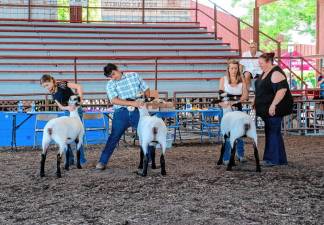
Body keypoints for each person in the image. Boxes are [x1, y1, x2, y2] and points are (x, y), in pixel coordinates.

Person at [96, 63, 154, 170]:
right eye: (111, 76)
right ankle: (102, 161)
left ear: (117, 69)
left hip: (138, 111)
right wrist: (133, 103)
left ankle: (150, 160)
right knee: (114, 137)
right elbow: (113, 100)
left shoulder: (134, 75)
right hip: (120, 112)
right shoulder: (110, 84)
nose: (113, 77)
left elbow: (146, 88)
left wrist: (145, 97)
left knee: (146, 134)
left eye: (114, 74)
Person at [254, 52, 293, 166]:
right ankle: (279, 159)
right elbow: (261, 90)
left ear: (269, 62)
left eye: (261, 63)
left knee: (273, 132)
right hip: (266, 109)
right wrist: (255, 101)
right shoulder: (265, 72)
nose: (260, 65)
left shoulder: (276, 73)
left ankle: (272, 159)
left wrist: (273, 105)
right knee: (271, 132)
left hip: (275, 109)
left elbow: (282, 90)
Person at [40, 74, 86, 167]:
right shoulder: (52, 92)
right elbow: (60, 106)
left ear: (52, 81)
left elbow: (78, 86)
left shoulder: (62, 84)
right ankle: (69, 159)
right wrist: (68, 108)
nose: (46, 87)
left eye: (47, 85)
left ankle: (81, 160)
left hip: (76, 111)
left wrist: (80, 101)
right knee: (64, 136)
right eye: (44, 86)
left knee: (77, 135)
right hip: (67, 112)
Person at [219, 59, 249, 165]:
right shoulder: (223, 79)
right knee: (227, 134)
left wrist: (235, 101)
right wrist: (224, 102)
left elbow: (245, 96)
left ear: (238, 69)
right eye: (231, 68)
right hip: (226, 109)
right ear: (228, 68)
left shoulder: (242, 80)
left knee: (239, 132)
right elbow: (221, 94)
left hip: (237, 108)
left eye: (235, 68)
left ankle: (240, 154)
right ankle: (226, 158)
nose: (233, 70)